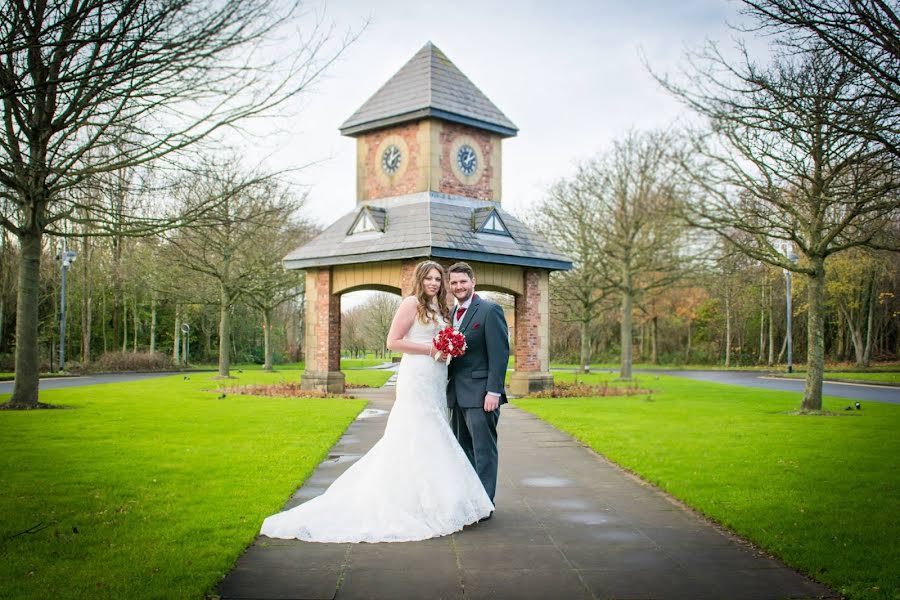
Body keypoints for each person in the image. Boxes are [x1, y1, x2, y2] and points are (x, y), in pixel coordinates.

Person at [259, 260, 493, 542]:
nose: (434, 283)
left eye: (437, 279)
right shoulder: (411, 304)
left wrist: (446, 349)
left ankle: (434, 497)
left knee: (434, 430)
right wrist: (430, 349)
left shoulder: (442, 308)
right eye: (429, 278)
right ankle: (413, 501)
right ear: (420, 280)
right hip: (417, 374)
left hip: (435, 377)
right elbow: (392, 341)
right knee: (417, 429)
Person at [446, 262, 510, 514]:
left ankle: (485, 503)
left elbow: (500, 353)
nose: (458, 286)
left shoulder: (489, 310)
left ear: (473, 281)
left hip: (482, 394)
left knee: (483, 450)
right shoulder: (450, 314)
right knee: (463, 450)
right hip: (457, 394)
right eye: (453, 283)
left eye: (463, 281)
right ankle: (470, 499)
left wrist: (493, 391)